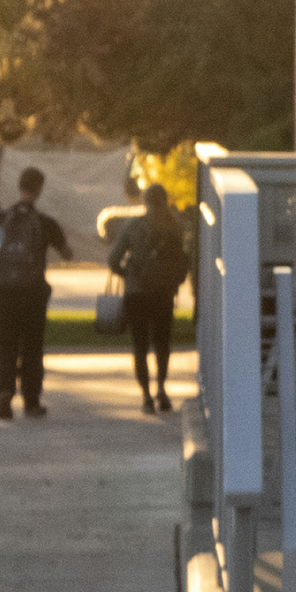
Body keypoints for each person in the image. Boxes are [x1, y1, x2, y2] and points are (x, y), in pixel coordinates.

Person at [0, 166, 75, 419]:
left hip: (4, 290)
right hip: (33, 291)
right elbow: (67, 254)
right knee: (32, 346)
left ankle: (4, 390)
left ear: (20, 186)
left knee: (5, 342)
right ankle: (31, 400)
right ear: (39, 190)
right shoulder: (45, 222)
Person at [110, 170, 193, 413]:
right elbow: (184, 259)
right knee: (162, 343)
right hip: (163, 293)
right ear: (165, 200)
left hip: (137, 292)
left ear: (145, 201)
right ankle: (162, 390)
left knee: (140, 345)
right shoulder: (175, 227)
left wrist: (128, 275)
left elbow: (114, 258)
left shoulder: (133, 226)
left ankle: (146, 396)